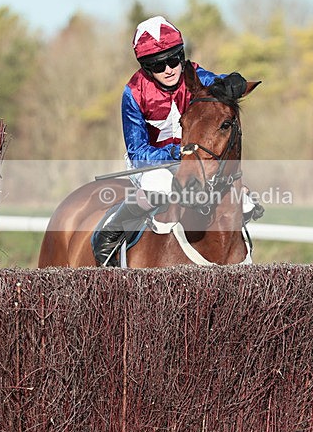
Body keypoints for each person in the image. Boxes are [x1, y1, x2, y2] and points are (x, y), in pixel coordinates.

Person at [91, 15, 259, 266]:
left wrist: (234, 81)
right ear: (147, 68)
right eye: (158, 66)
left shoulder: (194, 76)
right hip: (151, 162)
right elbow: (137, 151)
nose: (169, 69)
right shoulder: (133, 93)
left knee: (241, 201)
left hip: (195, 159)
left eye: (173, 60)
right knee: (159, 188)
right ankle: (111, 231)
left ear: (181, 56)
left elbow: (219, 84)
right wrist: (173, 152)